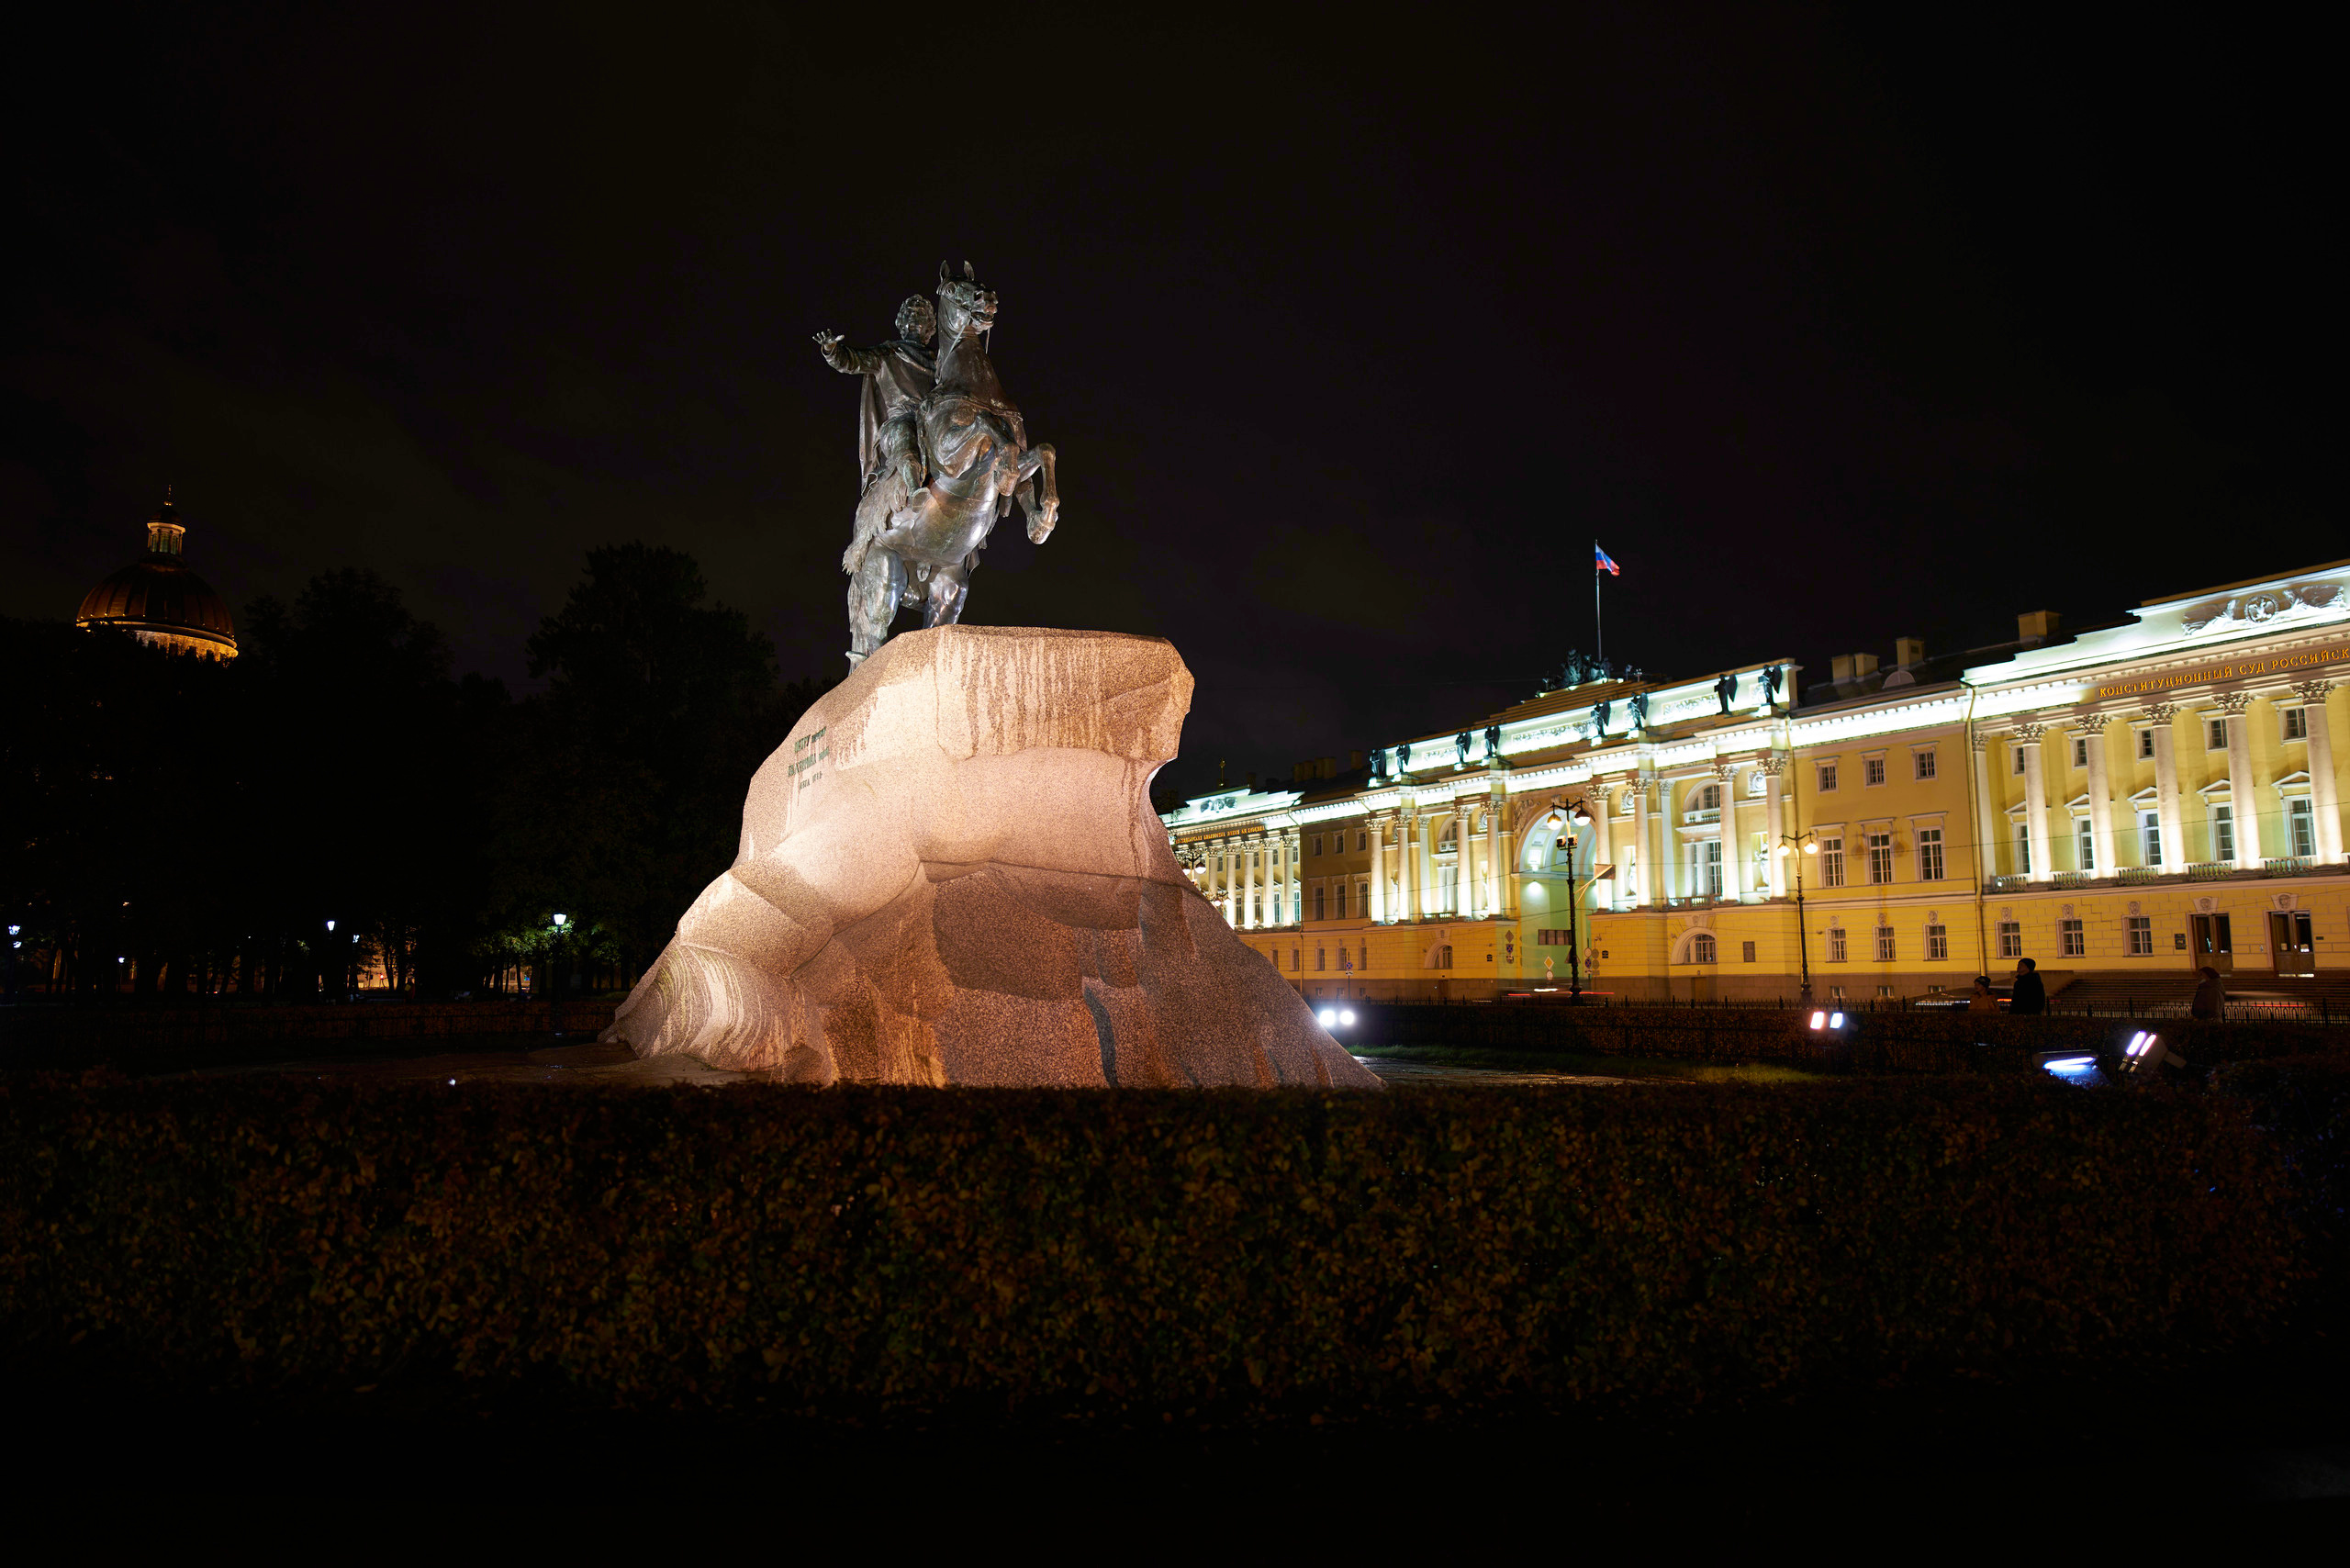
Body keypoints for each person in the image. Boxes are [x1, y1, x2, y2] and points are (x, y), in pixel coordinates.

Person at [814, 294, 937, 575]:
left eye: (920, 315)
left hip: (933, 424)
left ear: (930, 326)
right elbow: (852, 361)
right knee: (906, 441)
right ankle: (916, 494)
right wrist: (832, 350)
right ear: (900, 323)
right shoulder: (887, 354)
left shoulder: (941, 360)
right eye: (908, 315)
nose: (913, 319)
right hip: (900, 421)